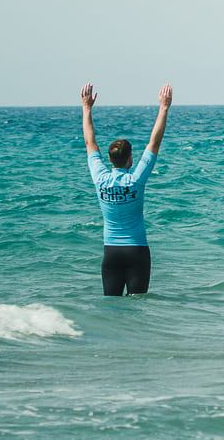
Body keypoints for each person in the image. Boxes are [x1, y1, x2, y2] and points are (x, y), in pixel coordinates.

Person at [81, 82, 173, 296]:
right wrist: (163, 108)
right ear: (130, 158)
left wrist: (86, 109)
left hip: (110, 252)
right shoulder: (136, 180)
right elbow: (154, 142)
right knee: (137, 305)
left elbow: (89, 142)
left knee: (112, 307)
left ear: (110, 159)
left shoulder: (100, 178)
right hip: (137, 251)